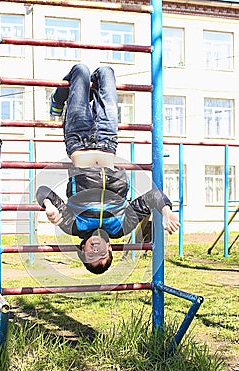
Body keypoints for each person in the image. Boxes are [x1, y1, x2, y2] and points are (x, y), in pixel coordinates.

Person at [36, 64, 180, 274]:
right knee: (106, 73)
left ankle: (58, 101)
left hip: (78, 140)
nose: (96, 251)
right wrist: (166, 210)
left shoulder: (73, 226)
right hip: (107, 141)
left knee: (81, 72)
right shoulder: (121, 226)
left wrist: (49, 206)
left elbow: (41, 191)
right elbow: (151, 197)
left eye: (90, 255)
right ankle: (94, 90)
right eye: (101, 255)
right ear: (110, 248)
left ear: (82, 249)